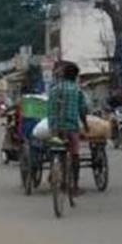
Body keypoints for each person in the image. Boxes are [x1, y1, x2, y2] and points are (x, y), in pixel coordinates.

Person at [47, 62, 90, 192]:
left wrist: (52, 125)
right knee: (75, 153)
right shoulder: (77, 91)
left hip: (55, 128)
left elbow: (49, 110)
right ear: (76, 76)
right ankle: (75, 186)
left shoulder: (54, 90)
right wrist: (86, 126)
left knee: (55, 149)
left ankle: (55, 172)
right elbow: (83, 110)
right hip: (72, 127)